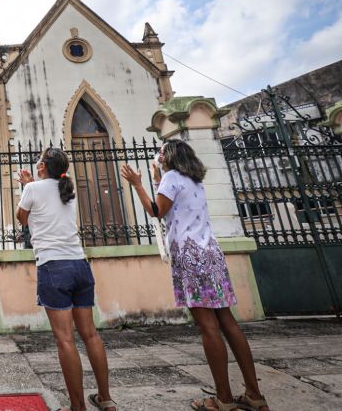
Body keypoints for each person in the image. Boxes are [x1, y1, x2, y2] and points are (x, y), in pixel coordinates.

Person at [120, 140, 269, 411]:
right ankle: (254, 394)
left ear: (168, 157)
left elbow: (156, 211)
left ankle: (223, 399)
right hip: (211, 253)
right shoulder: (192, 180)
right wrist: (157, 180)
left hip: (190, 256)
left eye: (161, 152)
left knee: (208, 327)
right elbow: (175, 207)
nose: (158, 155)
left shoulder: (171, 178)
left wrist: (137, 184)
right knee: (228, 322)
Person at [17, 148, 116, 411]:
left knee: (65, 340)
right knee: (91, 334)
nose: (36, 164)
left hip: (53, 267)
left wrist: (27, 187)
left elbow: (22, 219)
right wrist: (31, 186)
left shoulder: (33, 189)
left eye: (39, 161)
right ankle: (106, 399)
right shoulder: (67, 190)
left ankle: (77, 406)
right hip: (79, 264)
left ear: (42, 167)